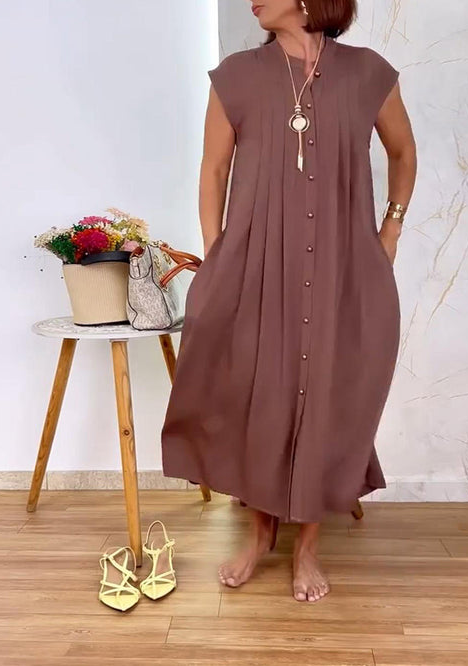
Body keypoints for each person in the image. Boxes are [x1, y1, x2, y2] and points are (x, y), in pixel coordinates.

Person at [161, 0, 417, 602]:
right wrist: (217, 253)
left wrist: (390, 229)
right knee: (259, 393)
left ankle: (307, 548)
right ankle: (259, 536)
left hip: (344, 267)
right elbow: (213, 170)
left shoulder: (368, 73)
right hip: (256, 263)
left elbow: (404, 153)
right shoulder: (236, 77)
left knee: (328, 392)